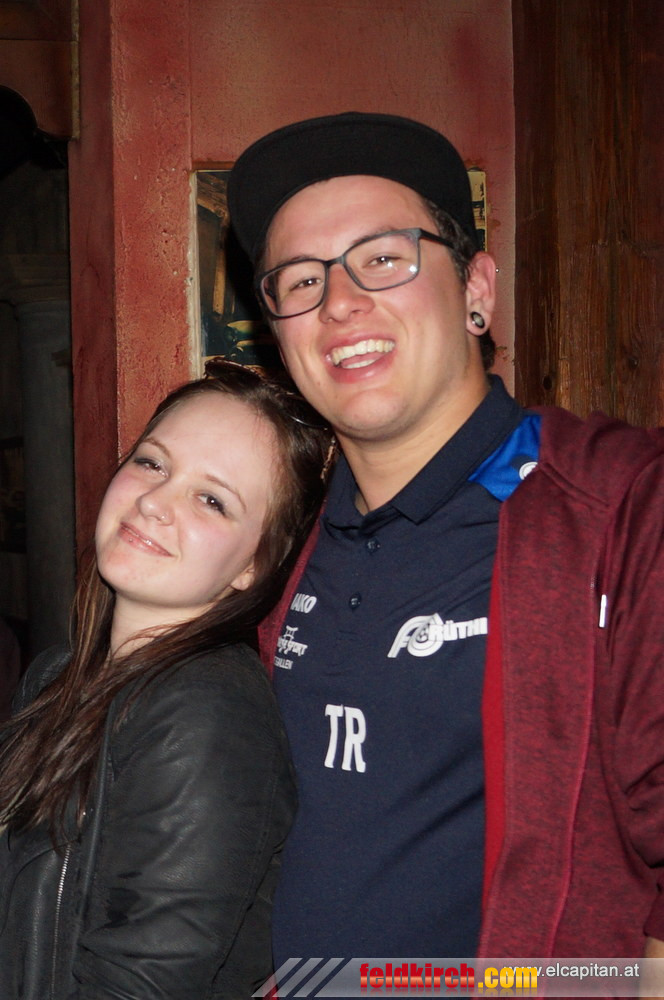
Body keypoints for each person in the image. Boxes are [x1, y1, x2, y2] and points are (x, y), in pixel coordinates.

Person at [227, 112, 664, 967]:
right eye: (301, 280)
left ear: (477, 291)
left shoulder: (620, 508)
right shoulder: (278, 540)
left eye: (384, 258)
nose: (340, 302)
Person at [0, 360, 329, 999]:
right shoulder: (56, 677)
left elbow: (138, 986)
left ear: (255, 566)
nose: (154, 502)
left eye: (212, 499)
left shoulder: (207, 713)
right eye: (152, 463)